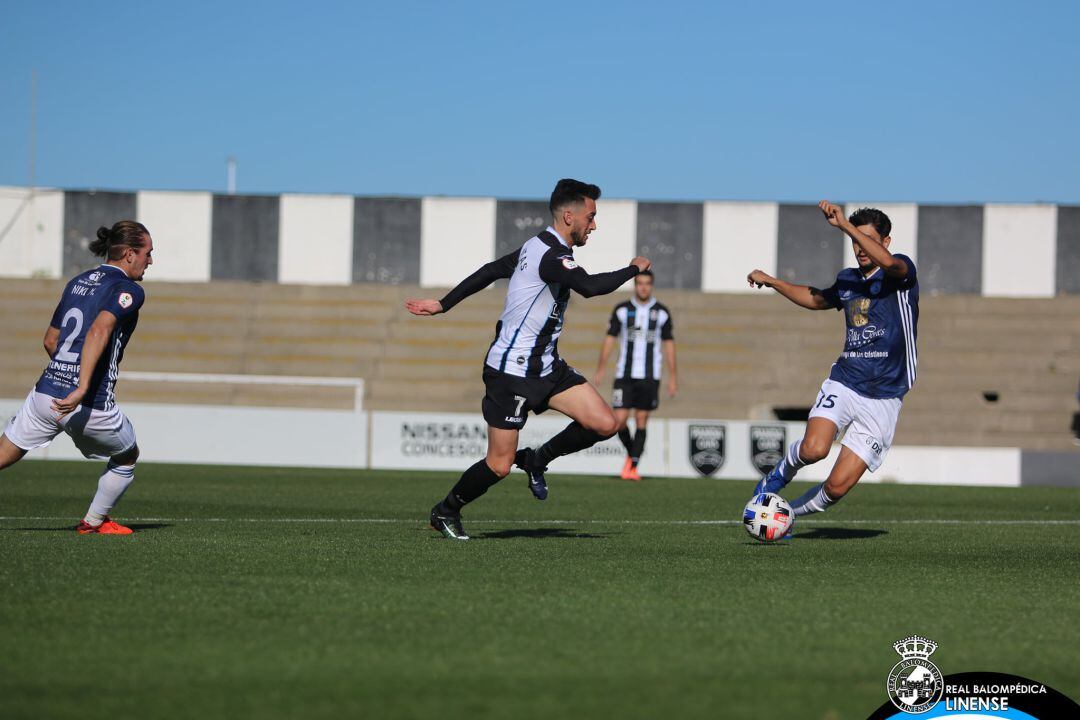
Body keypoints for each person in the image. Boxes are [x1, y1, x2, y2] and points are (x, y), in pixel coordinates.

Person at [406, 179, 651, 540]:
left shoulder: (535, 247)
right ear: (570, 216)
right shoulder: (550, 255)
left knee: (605, 423)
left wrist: (444, 303)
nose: (594, 225)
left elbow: (491, 270)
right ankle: (446, 510)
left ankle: (537, 459)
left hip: (547, 367)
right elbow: (590, 287)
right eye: (591, 216)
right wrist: (633, 269)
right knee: (500, 465)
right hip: (511, 372)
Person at [746, 201, 918, 525]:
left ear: (886, 242)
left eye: (867, 239)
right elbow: (817, 299)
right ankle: (775, 479)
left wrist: (845, 227)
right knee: (813, 449)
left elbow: (889, 264)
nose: (859, 248)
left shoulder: (901, 272)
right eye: (855, 241)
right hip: (847, 381)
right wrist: (774, 281)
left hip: (885, 397)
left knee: (836, 488)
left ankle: (785, 515)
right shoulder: (848, 280)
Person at [0, 220, 154, 534]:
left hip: (44, 394)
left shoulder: (78, 282)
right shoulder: (129, 289)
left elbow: (50, 340)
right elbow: (100, 329)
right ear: (128, 254)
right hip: (88, 403)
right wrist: (81, 386)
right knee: (127, 455)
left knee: (2, 454)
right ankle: (93, 523)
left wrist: (65, 374)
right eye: (147, 253)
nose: (150, 260)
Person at [594, 270, 676, 480]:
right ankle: (633, 456)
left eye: (647, 283)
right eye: (640, 283)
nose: (643, 287)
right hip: (625, 374)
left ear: (652, 285)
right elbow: (610, 339)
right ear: (635, 285)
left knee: (641, 419)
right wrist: (601, 367)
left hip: (650, 375)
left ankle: (632, 467)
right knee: (618, 421)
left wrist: (673, 376)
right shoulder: (622, 310)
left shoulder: (662, 312)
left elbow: (668, 345)